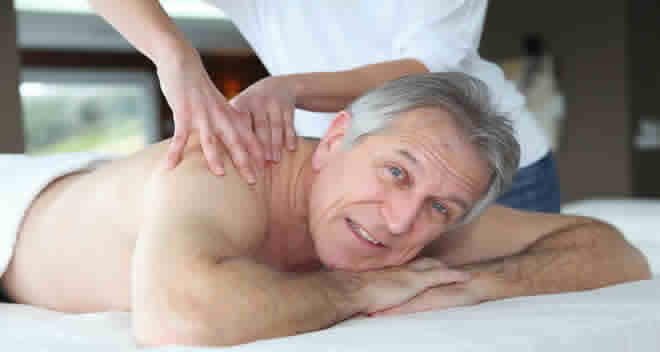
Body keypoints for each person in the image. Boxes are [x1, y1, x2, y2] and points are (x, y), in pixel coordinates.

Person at [0, 73, 649, 347]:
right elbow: (179, 318)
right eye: (395, 172)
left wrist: (479, 284)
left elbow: (610, 249)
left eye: (439, 207)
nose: (399, 221)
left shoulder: (423, 217)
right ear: (334, 139)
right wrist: (356, 290)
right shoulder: (230, 167)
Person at [87, 0, 561, 212]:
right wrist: (175, 58)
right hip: (344, 165)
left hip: (488, 171)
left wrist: (290, 88)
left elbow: (424, 69)